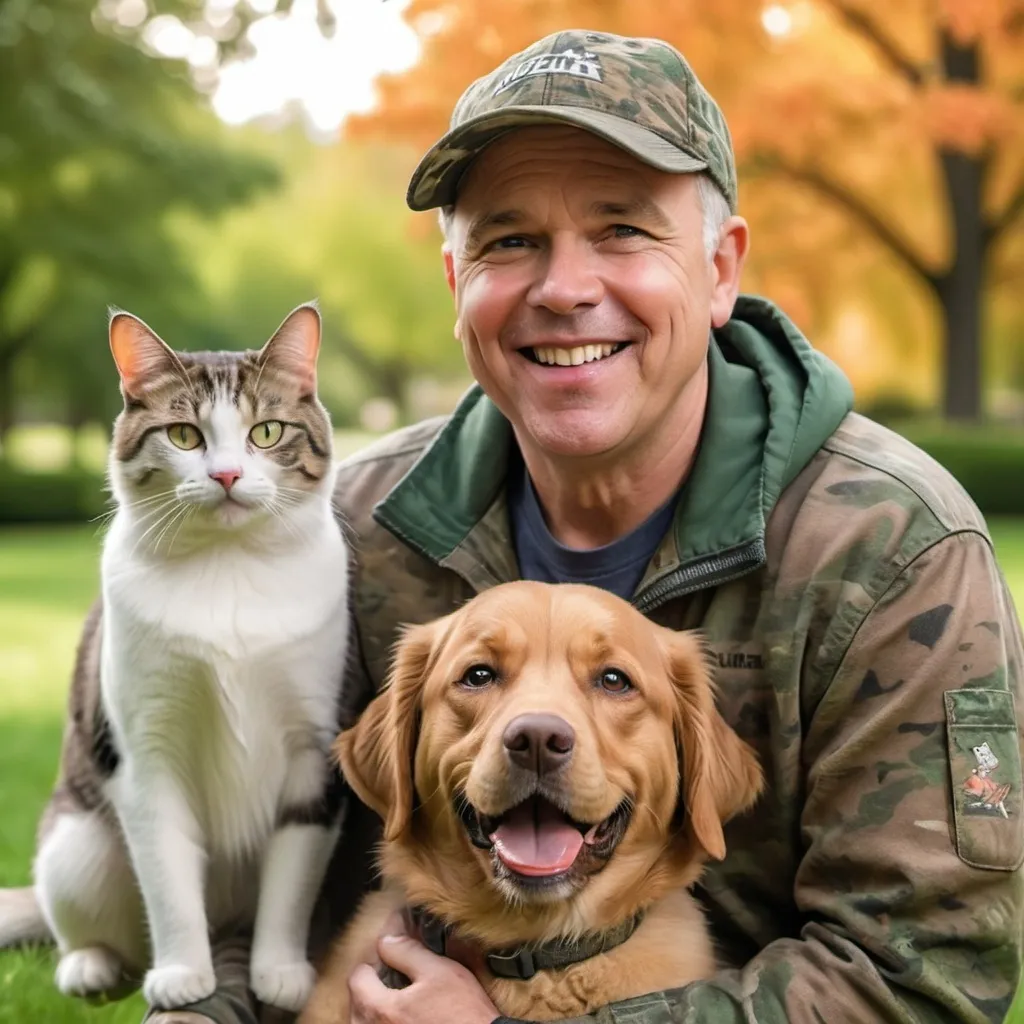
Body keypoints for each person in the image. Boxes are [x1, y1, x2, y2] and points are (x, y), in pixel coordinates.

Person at [150, 28, 1023, 1024]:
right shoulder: (340, 527)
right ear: (455, 285)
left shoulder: (897, 552)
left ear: (719, 267)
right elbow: (245, 860)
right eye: (509, 240)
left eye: (622, 230)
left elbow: (921, 977)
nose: (563, 289)